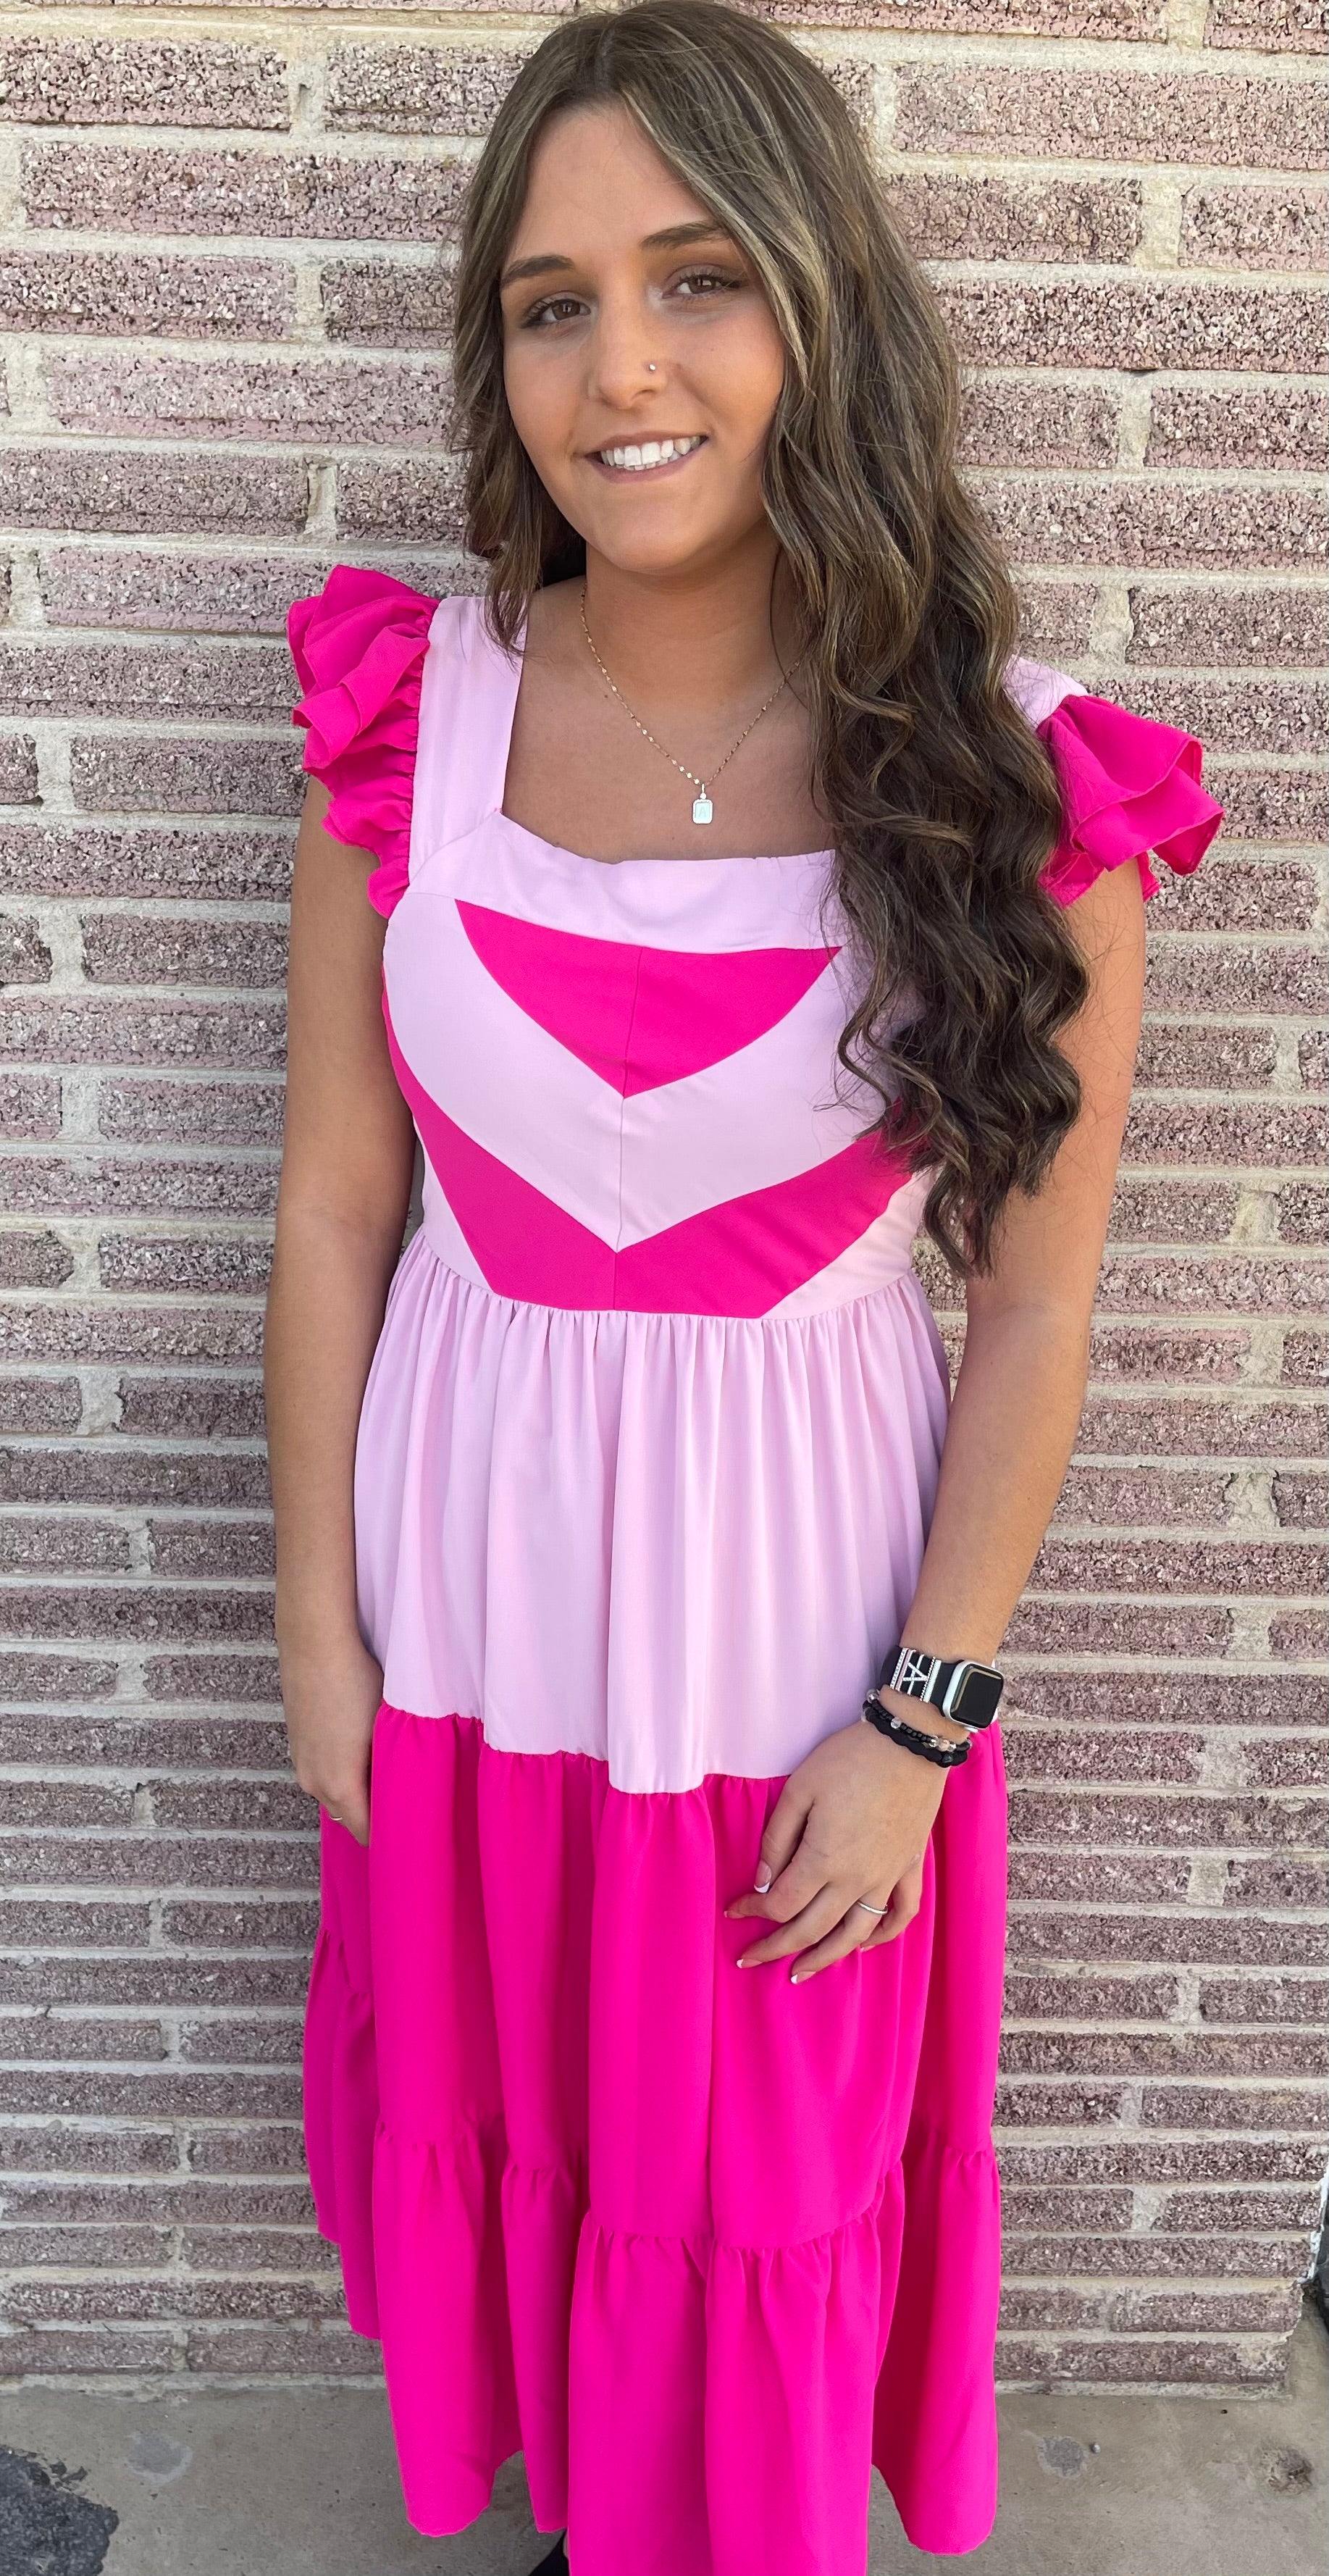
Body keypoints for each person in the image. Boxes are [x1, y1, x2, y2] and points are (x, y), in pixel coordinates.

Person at [265, 5, 1223, 2569]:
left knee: (749, 2163)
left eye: (695, 279)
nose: (622, 367)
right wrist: (317, 1633)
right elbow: (337, 1207)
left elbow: (1031, 1307)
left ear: (819, 303)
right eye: (550, 301)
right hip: (471, 1607)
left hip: (792, 1646)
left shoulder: (1014, 788)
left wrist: (919, 1720)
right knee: (521, 2115)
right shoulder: (408, 729)